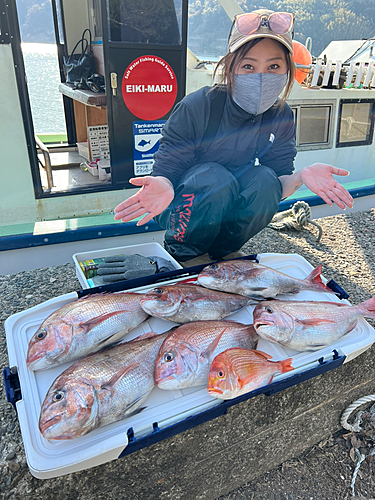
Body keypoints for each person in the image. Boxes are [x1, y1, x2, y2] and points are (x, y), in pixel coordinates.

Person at [114, 9, 353, 267]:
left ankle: (223, 252)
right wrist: (163, 183)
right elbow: (168, 167)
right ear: (230, 67)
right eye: (248, 66)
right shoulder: (197, 106)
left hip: (229, 200)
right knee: (214, 177)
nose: (261, 77)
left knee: (265, 180)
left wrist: (300, 177)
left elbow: (277, 181)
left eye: (274, 66)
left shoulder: (280, 114)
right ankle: (185, 252)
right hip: (181, 201)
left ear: (288, 71)